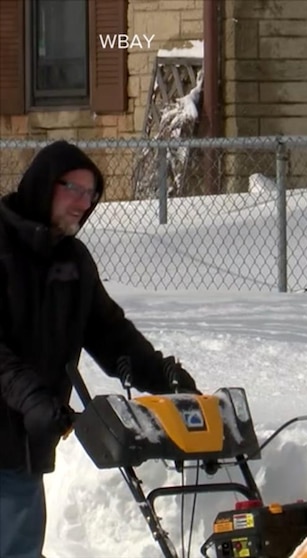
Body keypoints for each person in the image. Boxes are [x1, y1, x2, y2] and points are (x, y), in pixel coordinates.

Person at [0, 140, 200, 558]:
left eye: (91, 194)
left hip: (21, 445)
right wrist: (33, 398)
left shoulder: (73, 261)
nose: (83, 203)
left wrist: (160, 374)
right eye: (74, 189)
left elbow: (110, 333)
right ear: (44, 184)